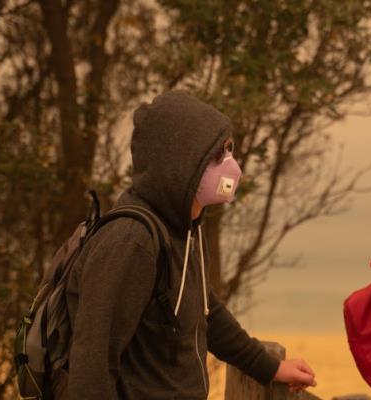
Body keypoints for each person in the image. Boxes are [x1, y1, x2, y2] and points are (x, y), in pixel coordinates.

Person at [64, 90, 316, 399]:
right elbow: (92, 364)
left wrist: (270, 367)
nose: (229, 164)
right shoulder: (132, 240)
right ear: (180, 163)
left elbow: (206, 312)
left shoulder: (185, 227)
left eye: (228, 150)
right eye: (215, 155)